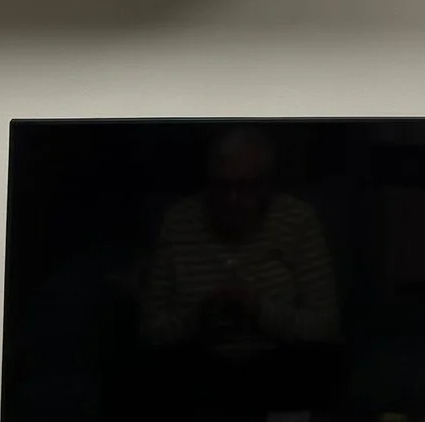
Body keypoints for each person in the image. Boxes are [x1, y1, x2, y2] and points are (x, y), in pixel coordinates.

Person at [141, 128, 338, 359]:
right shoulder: (179, 221)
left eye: (244, 187)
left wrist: (258, 309)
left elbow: (326, 326)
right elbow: (150, 332)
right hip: (195, 367)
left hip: (282, 365)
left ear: (265, 186)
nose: (231, 199)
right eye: (222, 186)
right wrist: (197, 319)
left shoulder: (296, 219)